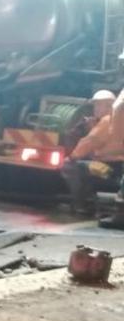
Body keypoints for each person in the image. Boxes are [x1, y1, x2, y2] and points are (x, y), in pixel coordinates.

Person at [62, 89, 124, 228]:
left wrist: (72, 157)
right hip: (119, 168)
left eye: (98, 105)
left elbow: (90, 141)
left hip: (111, 168)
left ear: (109, 106)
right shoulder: (112, 120)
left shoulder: (108, 120)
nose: (95, 108)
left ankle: (82, 206)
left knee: (72, 166)